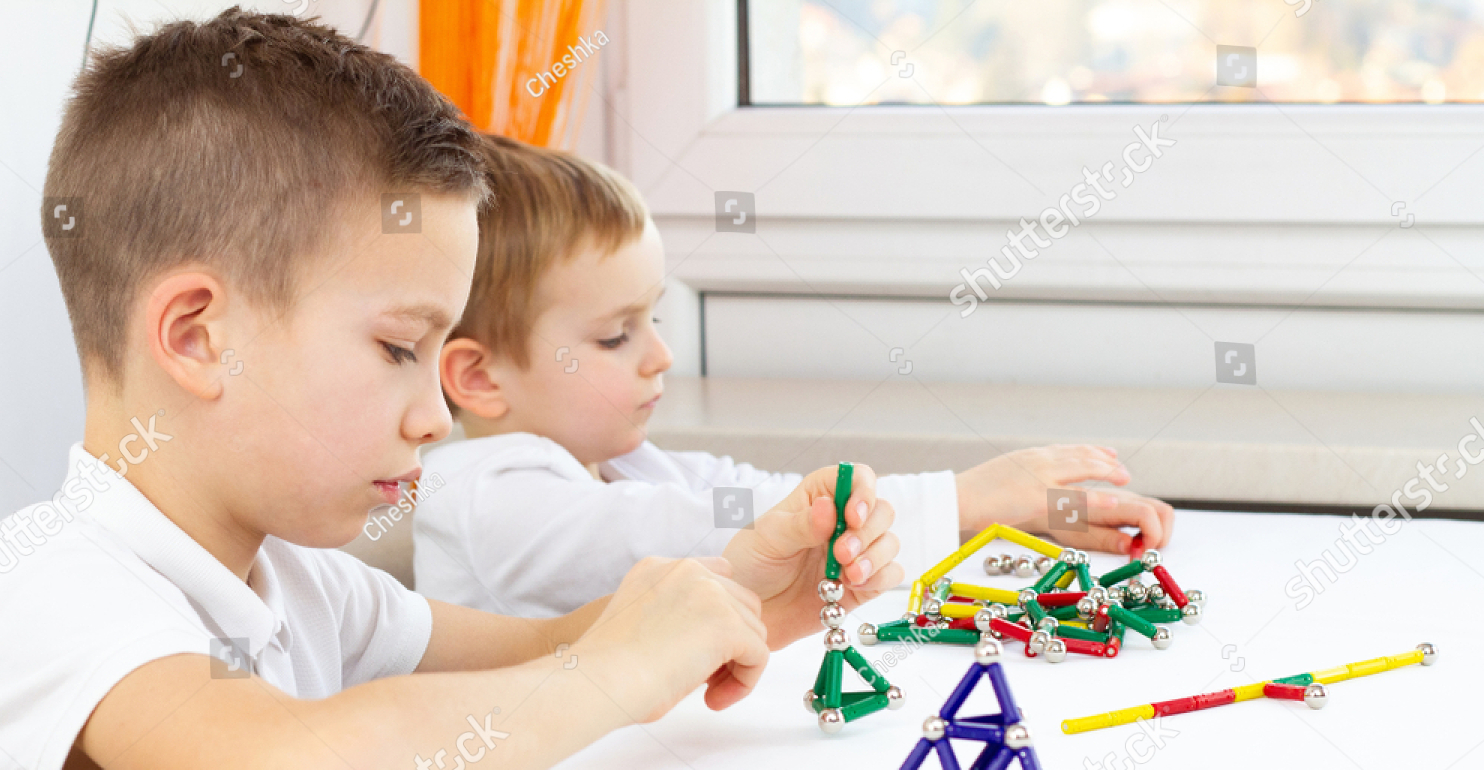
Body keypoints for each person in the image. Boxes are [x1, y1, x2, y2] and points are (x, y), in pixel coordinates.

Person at [0, 10, 899, 770]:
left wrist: (736, 596)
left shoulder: (305, 583)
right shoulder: (44, 590)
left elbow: (541, 648)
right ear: (198, 337)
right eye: (397, 347)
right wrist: (619, 669)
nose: (436, 415)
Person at [413, 136, 1174, 618]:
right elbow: (678, 531)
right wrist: (967, 493)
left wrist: (990, 522)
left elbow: (768, 493)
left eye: (655, 320)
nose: (660, 356)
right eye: (616, 335)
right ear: (478, 377)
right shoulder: (481, 490)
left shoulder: (619, 464)